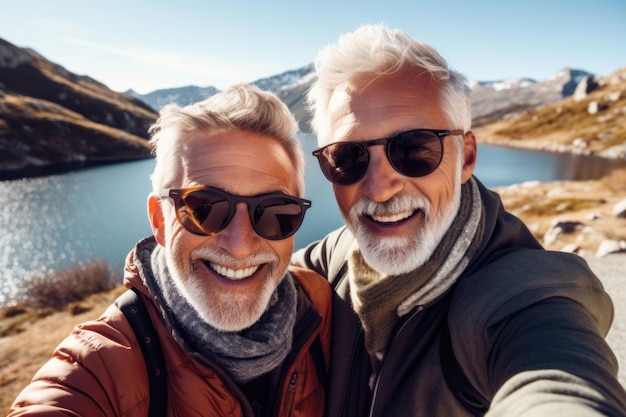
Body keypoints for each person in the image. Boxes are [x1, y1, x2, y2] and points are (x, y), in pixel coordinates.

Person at [292, 24, 626, 416]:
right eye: (347, 157)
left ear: (466, 157)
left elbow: (558, 383)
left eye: (415, 148)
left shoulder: (520, 297)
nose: (380, 188)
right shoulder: (338, 260)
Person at [8, 84, 360, 417]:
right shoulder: (99, 368)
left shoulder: (320, 306)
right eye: (204, 207)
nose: (239, 245)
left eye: (275, 212)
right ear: (159, 221)